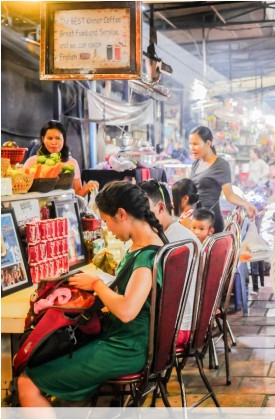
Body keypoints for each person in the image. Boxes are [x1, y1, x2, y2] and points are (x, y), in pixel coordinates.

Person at [17, 181, 166, 407]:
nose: (108, 229)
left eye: (106, 222)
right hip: (132, 340)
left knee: (27, 381)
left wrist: (97, 284)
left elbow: (126, 311)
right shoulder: (153, 242)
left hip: (126, 347)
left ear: (122, 214)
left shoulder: (146, 258)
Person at [140, 180, 202, 347]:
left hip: (176, 328)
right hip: (193, 322)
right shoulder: (176, 233)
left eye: (143, 211)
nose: (139, 219)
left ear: (161, 208)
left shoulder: (169, 243)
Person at [188, 126, 256, 232]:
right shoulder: (196, 163)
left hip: (211, 223)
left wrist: (246, 204)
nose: (192, 148)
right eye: (190, 144)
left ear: (208, 143)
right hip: (196, 221)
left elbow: (229, 195)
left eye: (196, 144)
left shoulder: (221, 165)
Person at [24, 120, 98, 197]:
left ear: (64, 139)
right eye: (50, 138)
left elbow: (77, 194)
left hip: (64, 207)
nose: (53, 142)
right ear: (43, 139)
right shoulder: (32, 161)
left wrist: (88, 186)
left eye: (58, 138)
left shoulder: (72, 163)